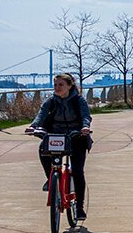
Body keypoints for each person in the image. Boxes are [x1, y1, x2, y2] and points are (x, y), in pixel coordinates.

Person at [26, 73, 92, 221]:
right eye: (55, 85)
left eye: (61, 85)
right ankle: (51, 179)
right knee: (43, 150)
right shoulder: (51, 101)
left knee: (77, 171)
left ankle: (80, 208)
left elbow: (85, 115)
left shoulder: (78, 100)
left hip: (76, 136)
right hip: (56, 135)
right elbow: (41, 114)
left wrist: (85, 127)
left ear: (69, 86)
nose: (57, 88)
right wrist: (33, 126)